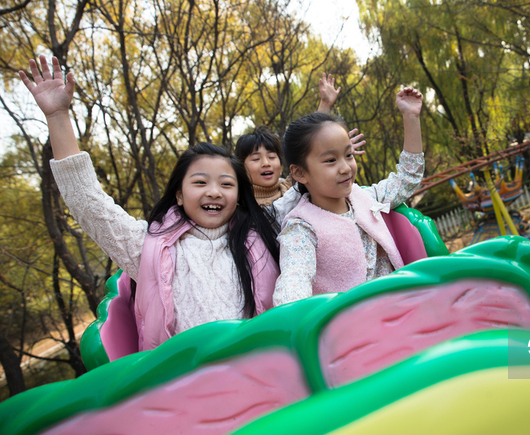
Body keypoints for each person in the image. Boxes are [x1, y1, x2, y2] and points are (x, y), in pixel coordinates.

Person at [19, 56, 280, 351]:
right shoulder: (148, 248)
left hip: (257, 374)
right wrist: (57, 117)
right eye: (199, 182)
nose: (214, 192)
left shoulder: (262, 233)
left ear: (238, 195)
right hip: (179, 384)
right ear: (179, 195)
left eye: (226, 184)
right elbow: (89, 204)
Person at [273, 87, 424, 306]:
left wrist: (411, 118)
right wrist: (292, 316)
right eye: (330, 161)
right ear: (299, 173)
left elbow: (407, 178)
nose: (345, 168)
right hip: (354, 327)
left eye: (348, 155)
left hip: (399, 304)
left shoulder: (366, 197)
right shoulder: (301, 228)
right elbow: (294, 281)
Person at [235, 74, 365, 208]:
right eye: (256, 159)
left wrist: (335, 146)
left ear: (281, 167)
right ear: (241, 168)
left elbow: (309, 146)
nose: (266, 163)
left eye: (272, 157)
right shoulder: (238, 202)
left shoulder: (291, 189)